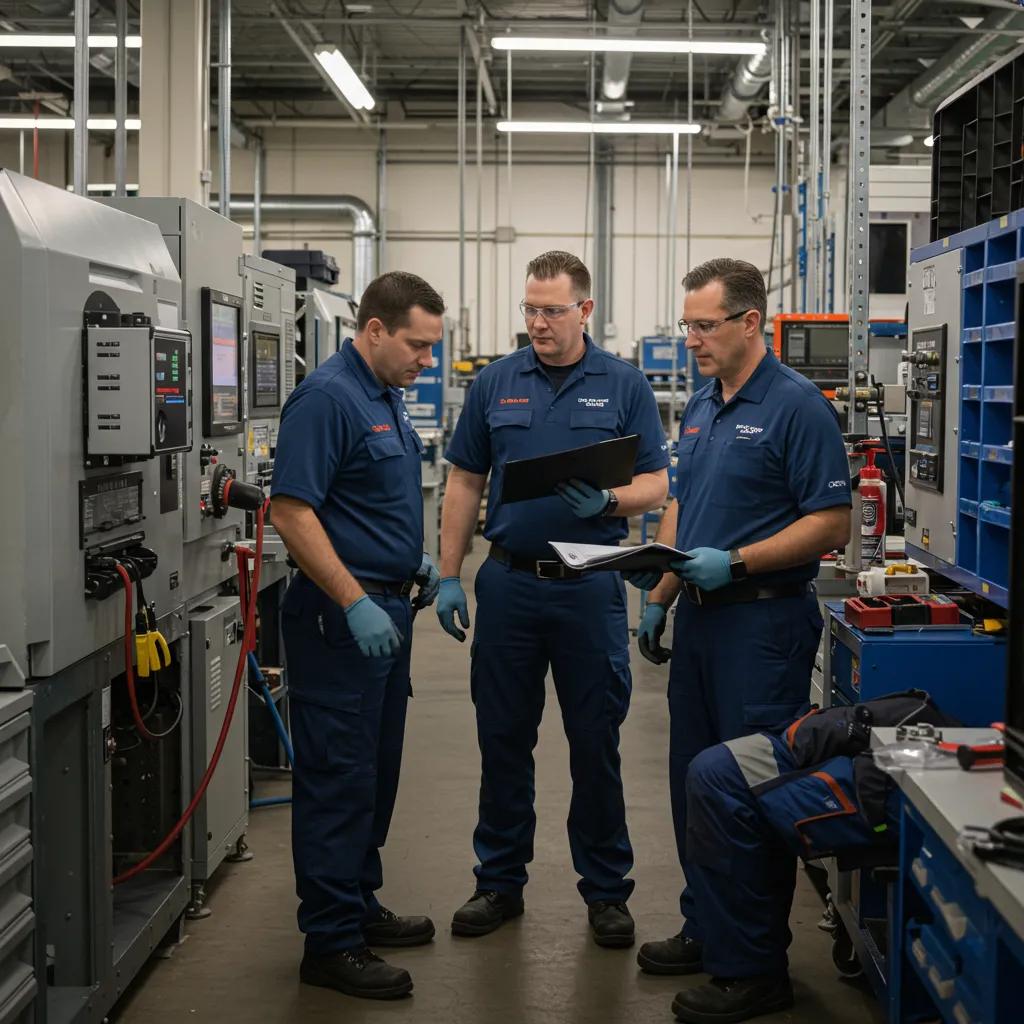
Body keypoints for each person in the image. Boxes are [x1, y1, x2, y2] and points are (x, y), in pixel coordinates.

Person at [626, 258, 852, 1007]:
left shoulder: (797, 407)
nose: (690, 339)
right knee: (694, 783)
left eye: (704, 325)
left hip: (762, 626)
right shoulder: (701, 404)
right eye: (686, 324)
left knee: (748, 789)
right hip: (700, 623)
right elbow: (685, 506)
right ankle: (707, 928)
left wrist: (741, 562)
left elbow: (832, 522)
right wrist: (662, 594)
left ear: (750, 322)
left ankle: (754, 966)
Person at [436, 250, 670, 948]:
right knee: (503, 739)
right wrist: (449, 574)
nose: (538, 323)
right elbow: (464, 481)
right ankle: (498, 882)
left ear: (585, 310)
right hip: (509, 584)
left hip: (590, 587)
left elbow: (657, 482)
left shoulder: (624, 384)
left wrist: (611, 500)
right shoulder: (496, 382)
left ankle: (606, 891)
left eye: (552, 311)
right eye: (530, 310)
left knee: (595, 743)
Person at [270, 271, 445, 1001]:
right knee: (338, 779)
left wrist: (415, 561)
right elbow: (290, 511)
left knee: (374, 772)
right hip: (341, 621)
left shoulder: (384, 396)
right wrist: (353, 600)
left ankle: (358, 901)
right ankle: (330, 940)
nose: (427, 361)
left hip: (387, 612)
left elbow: (369, 504)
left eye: (432, 348)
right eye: (417, 346)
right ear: (374, 331)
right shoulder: (327, 399)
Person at [671, 691, 956, 1023]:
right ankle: (726, 941)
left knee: (723, 786)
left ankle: (753, 972)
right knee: (714, 769)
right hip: (885, 734)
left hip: (918, 769)